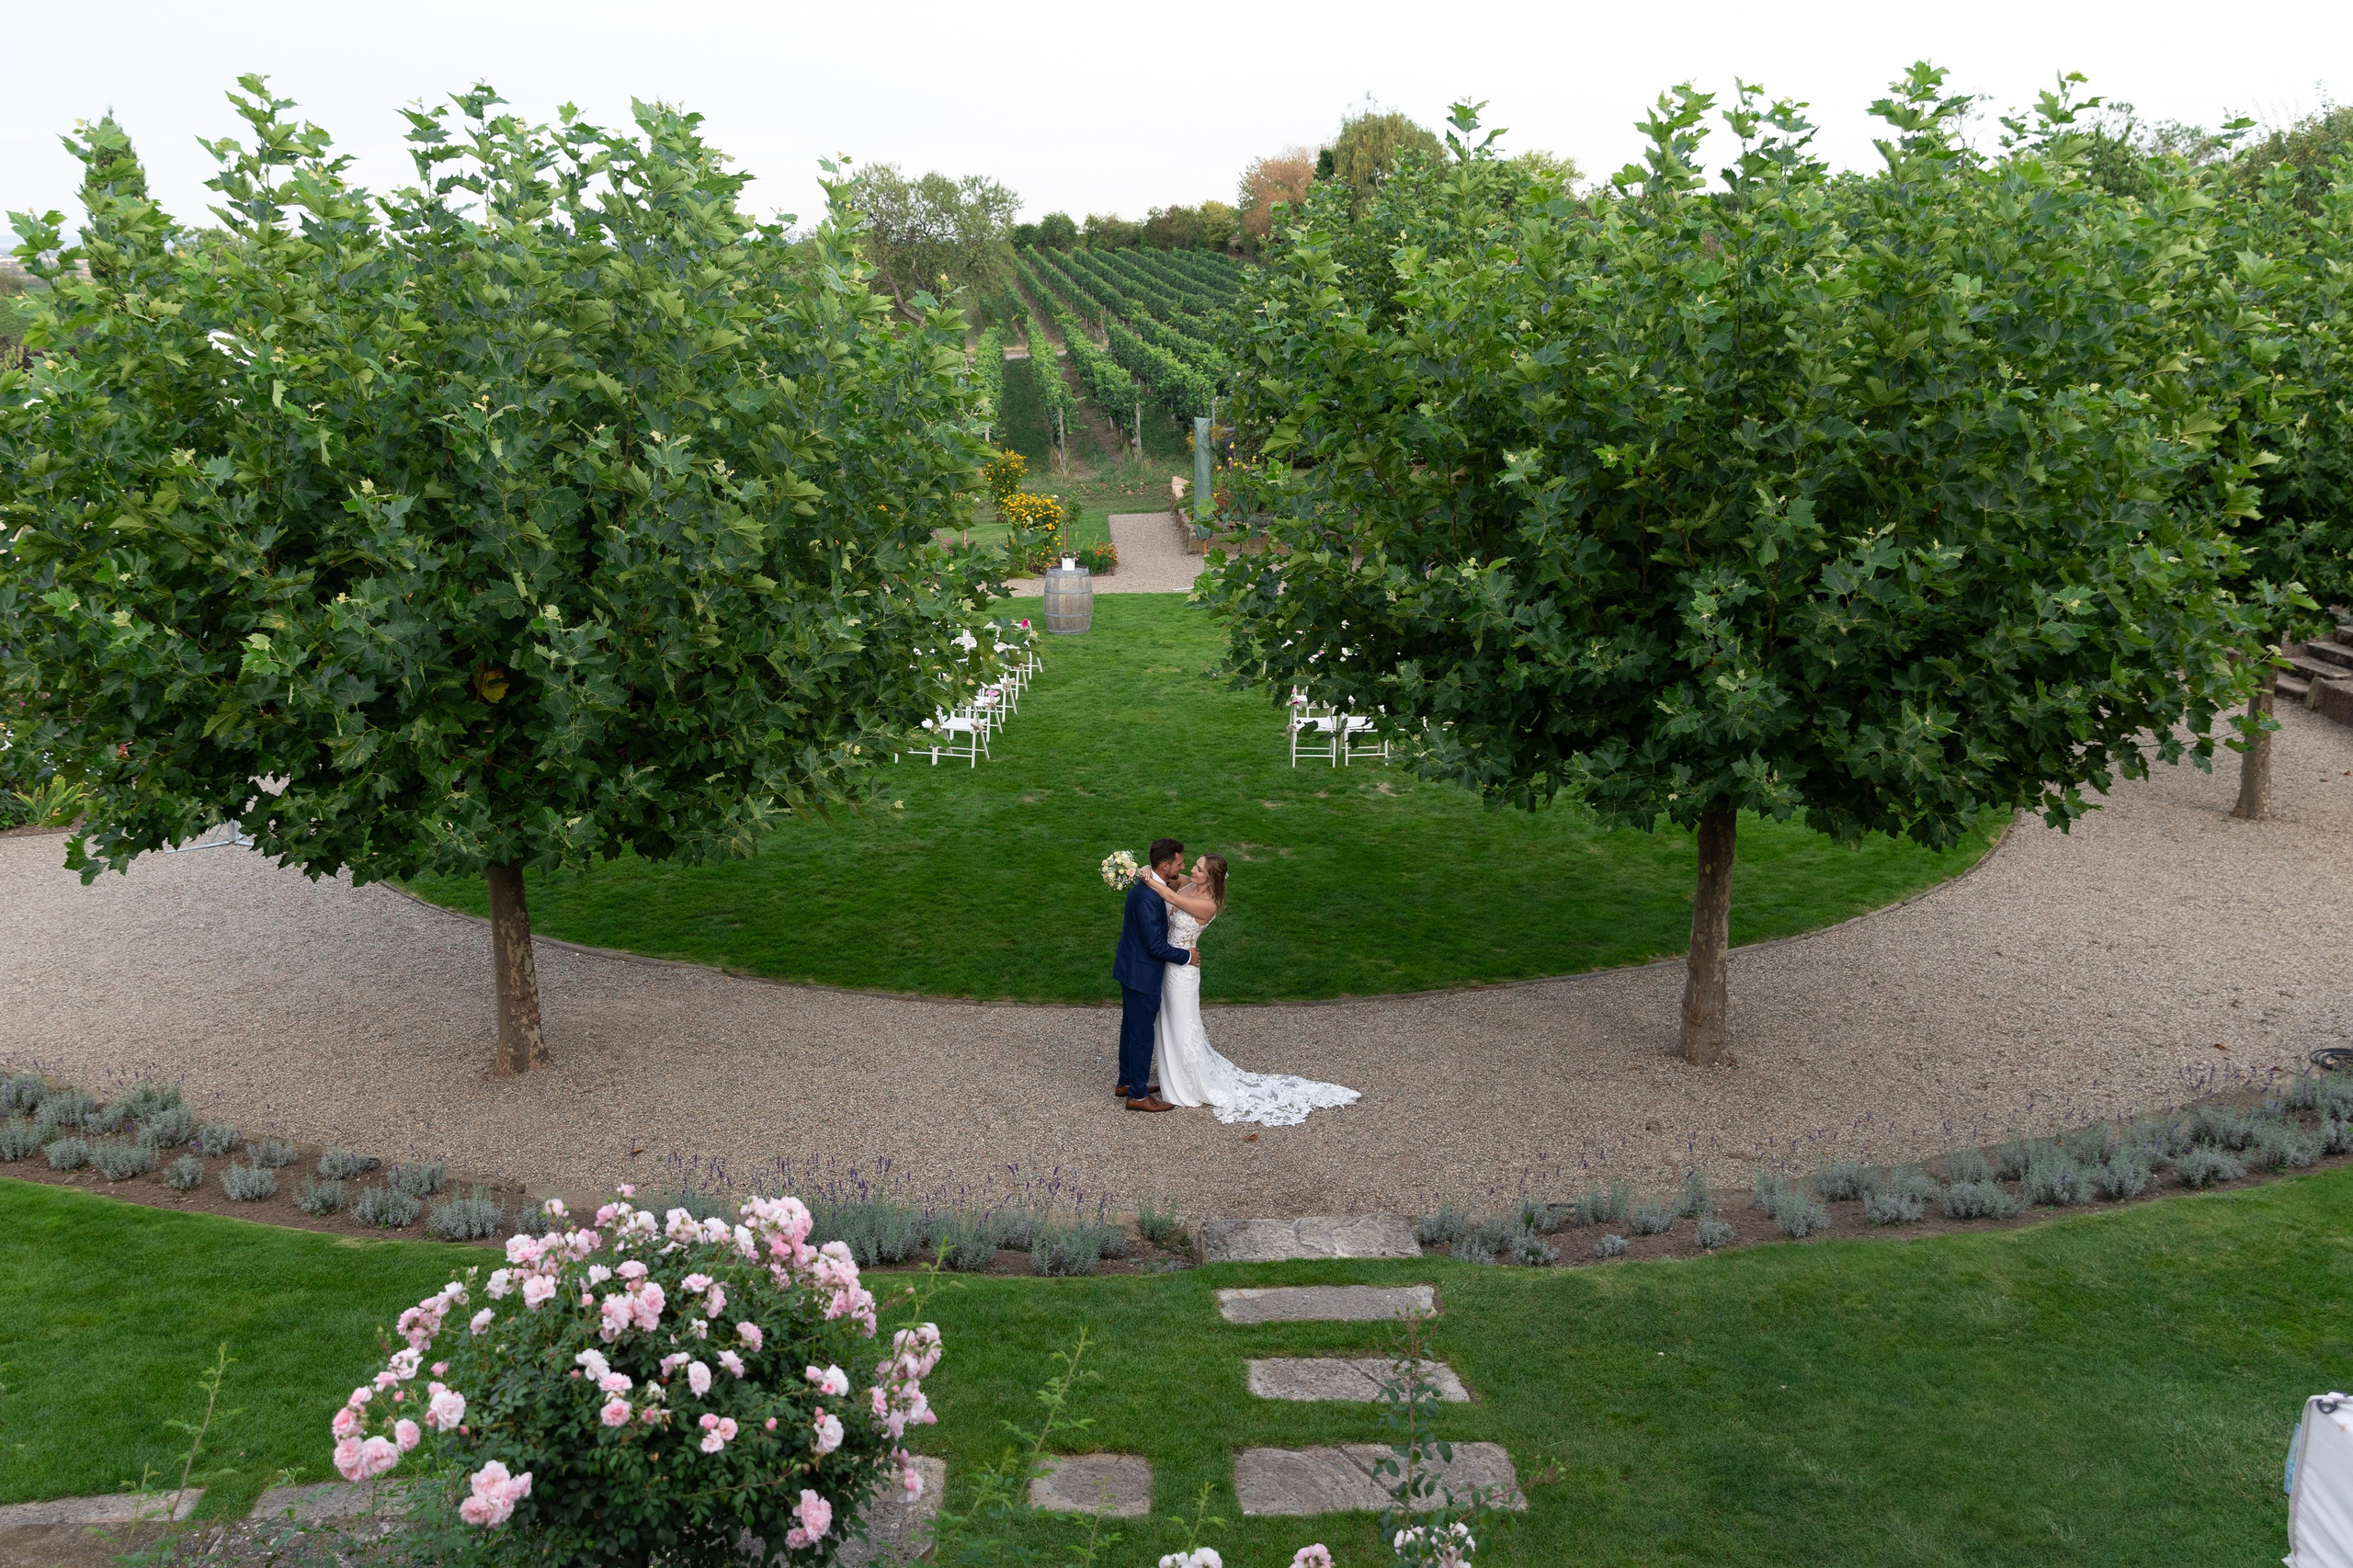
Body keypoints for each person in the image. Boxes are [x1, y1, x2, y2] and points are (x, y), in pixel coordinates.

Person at [1142, 853, 1359, 1127]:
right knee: (1167, 1022)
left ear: (1211, 877)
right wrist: (1146, 868)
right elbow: (1163, 877)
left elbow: (1168, 896)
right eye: (1194, 865)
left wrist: (1145, 877)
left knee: (1183, 1025)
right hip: (1168, 964)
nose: (1192, 870)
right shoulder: (1188, 884)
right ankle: (1171, 1076)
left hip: (1183, 973)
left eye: (1199, 869)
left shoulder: (1207, 905)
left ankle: (1187, 1084)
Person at [1109, 837, 1195, 1111]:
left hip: (1130, 968)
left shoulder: (1145, 883)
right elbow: (1155, 946)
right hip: (1141, 975)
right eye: (1179, 863)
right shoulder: (1149, 897)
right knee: (1142, 1036)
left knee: (1131, 1030)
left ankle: (1127, 1082)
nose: (1183, 867)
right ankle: (1137, 1095)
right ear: (1165, 865)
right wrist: (1187, 956)